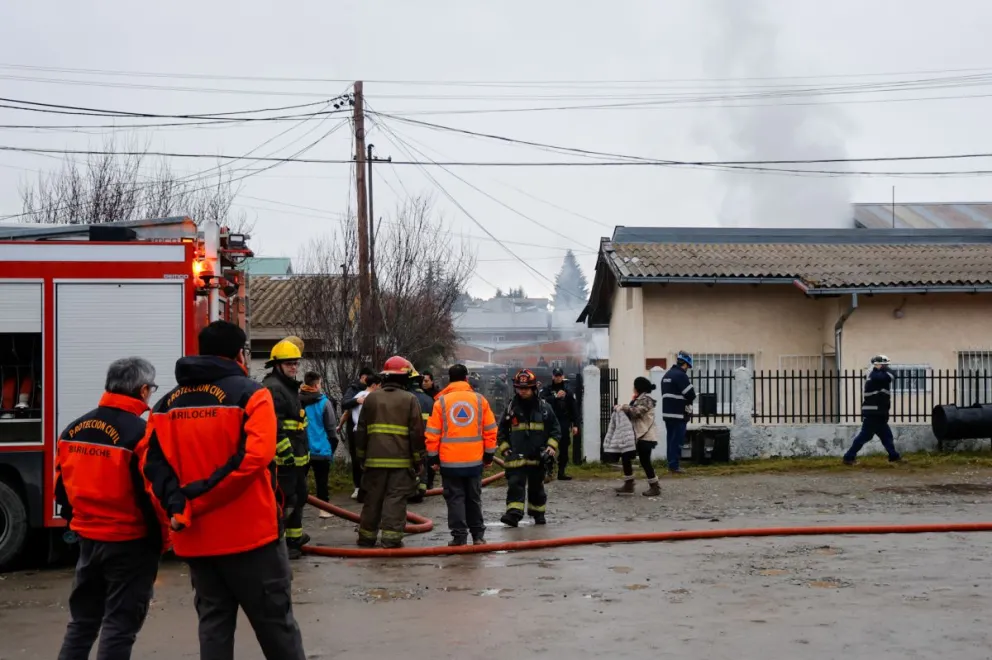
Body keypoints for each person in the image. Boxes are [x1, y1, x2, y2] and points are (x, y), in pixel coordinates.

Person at [141, 320, 306, 660]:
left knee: (214, 626)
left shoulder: (165, 405)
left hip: (197, 540)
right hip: (251, 539)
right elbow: (255, 459)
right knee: (276, 626)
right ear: (238, 354)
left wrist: (180, 505)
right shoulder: (251, 394)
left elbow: (151, 467)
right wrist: (198, 499)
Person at [55, 357, 166, 660]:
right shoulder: (142, 434)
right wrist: (163, 539)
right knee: (119, 625)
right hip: (130, 543)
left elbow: (61, 491)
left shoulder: (72, 429)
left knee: (82, 623)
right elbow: (154, 495)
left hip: (88, 541)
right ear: (143, 390)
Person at [355, 356, 426, 548]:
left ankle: (366, 537)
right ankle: (391, 539)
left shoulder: (371, 399)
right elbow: (416, 433)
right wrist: (419, 459)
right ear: (404, 378)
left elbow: (361, 430)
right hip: (400, 463)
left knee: (372, 498)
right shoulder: (410, 399)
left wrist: (361, 456)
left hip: (374, 461)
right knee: (395, 499)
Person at [426, 364, 498, 546]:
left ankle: (459, 536)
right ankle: (478, 536)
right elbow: (490, 430)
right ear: (466, 378)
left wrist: (433, 459)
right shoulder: (480, 400)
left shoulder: (441, 402)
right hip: (474, 462)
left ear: (449, 379)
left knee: (455, 499)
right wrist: (489, 456)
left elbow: (432, 433)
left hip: (450, 463)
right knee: (474, 497)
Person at [262, 339, 310, 559]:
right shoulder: (273, 388)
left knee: (298, 498)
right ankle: (277, 544)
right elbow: (274, 426)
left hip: (297, 457)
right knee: (285, 501)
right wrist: (285, 453)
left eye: (295, 363)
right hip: (284, 461)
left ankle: (293, 540)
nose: (294, 367)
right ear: (277, 364)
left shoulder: (288, 387)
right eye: (289, 363)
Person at [498, 369, 561, 527]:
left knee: (536, 487)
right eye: (520, 388)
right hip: (516, 456)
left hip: (537, 455)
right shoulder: (511, 408)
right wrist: (505, 448)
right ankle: (513, 514)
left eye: (526, 388)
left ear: (533, 388)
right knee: (515, 485)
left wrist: (551, 447)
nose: (523, 391)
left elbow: (556, 429)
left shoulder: (544, 408)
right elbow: (501, 431)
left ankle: (538, 513)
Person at [844, 354, 903, 465]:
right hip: (873, 412)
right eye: (884, 365)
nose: (886, 367)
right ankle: (848, 457)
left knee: (886, 436)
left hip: (878, 412)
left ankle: (894, 456)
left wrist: (882, 367)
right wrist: (883, 368)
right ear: (878, 364)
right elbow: (892, 376)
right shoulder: (876, 375)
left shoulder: (875, 374)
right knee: (864, 436)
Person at [615, 377, 661, 497]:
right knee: (626, 456)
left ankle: (654, 486)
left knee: (645, 461)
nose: (633, 388)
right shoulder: (639, 399)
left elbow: (636, 413)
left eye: (634, 386)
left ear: (638, 387)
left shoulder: (646, 400)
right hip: (638, 435)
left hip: (645, 435)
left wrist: (624, 407)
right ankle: (629, 484)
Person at [301, 371, 338, 517]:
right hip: (321, 448)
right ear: (316, 385)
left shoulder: (298, 400)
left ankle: (296, 509)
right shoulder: (324, 402)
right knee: (322, 481)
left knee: (298, 481)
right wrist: (332, 444)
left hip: (302, 448)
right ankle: (324, 509)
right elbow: (330, 426)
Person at [341, 366, 375, 500]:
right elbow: (344, 404)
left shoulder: (373, 390)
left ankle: (368, 486)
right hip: (355, 430)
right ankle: (358, 487)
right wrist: (356, 401)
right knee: (356, 458)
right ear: (362, 377)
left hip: (369, 430)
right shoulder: (353, 389)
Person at [540, 367, 580, 480]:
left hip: (563, 421)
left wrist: (575, 424)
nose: (558, 377)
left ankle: (561, 472)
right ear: (552, 376)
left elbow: (574, 409)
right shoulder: (547, 389)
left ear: (562, 376)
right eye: (556, 375)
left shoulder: (568, 391)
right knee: (548, 446)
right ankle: (548, 471)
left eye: (559, 375)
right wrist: (555, 397)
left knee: (564, 447)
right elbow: (541, 400)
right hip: (549, 422)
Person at [660, 351, 696, 474]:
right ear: (685, 364)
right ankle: (674, 466)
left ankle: (671, 464)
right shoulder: (681, 375)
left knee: (670, 440)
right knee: (677, 440)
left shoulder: (667, 375)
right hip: (678, 414)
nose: (687, 369)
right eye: (688, 367)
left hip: (667, 414)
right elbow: (691, 394)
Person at [409, 367, 440, 504]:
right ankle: (422, 489)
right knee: (424, 464)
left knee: (411, 464)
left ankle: (410, 490)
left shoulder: (407, 398)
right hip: (427, 437)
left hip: (409, 438)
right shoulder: (430, 400)